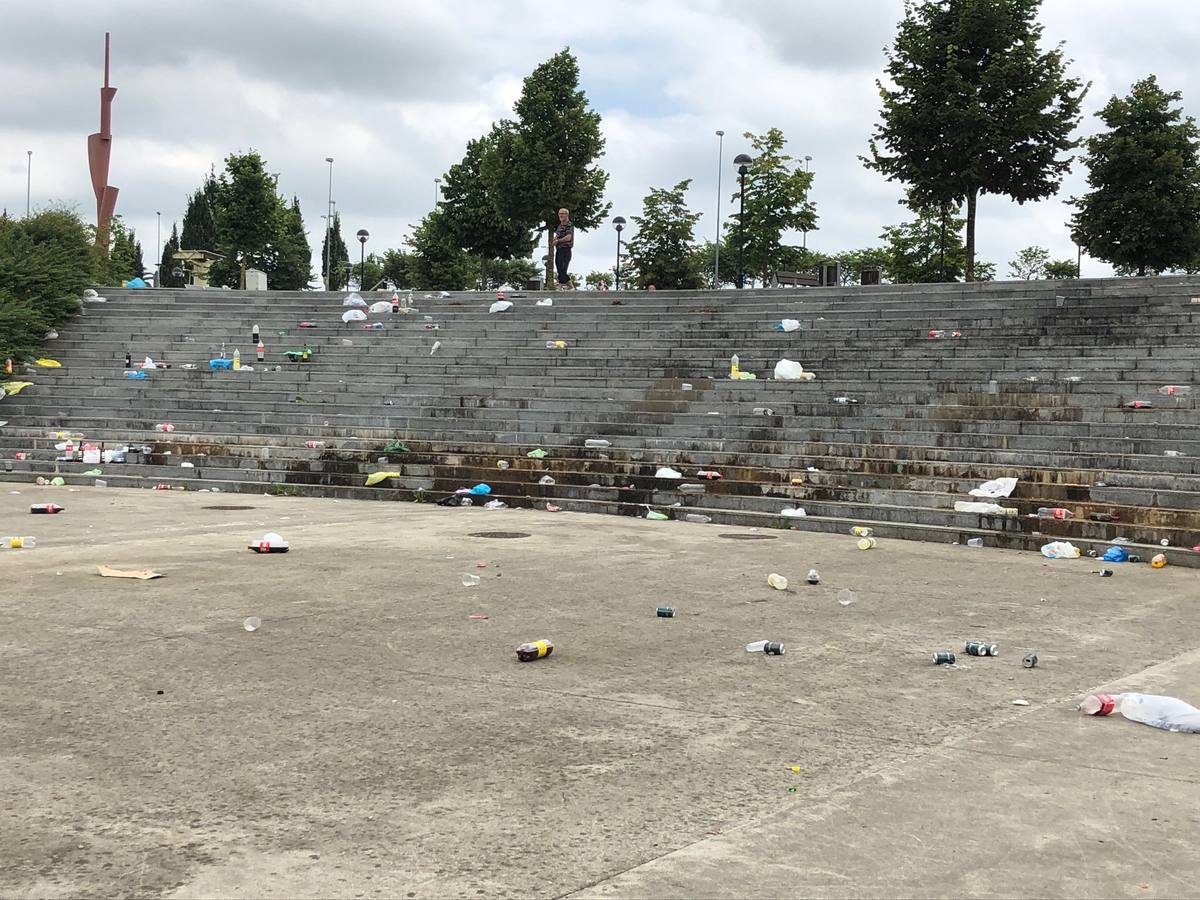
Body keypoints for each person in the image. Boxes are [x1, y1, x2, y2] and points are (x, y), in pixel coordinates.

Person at [551, 208, 574, 289]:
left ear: (567, 215)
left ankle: (562, 284)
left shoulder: (569, 225)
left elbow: (568, 237)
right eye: (559, 214)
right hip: (559, 249)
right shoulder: (560, 226)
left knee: (563, 268)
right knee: (559, 266)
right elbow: (557, 235)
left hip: (566, 249)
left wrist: (558, 241)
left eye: (562, 214)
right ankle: (568, 285)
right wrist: (554, 240)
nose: (560, 215)